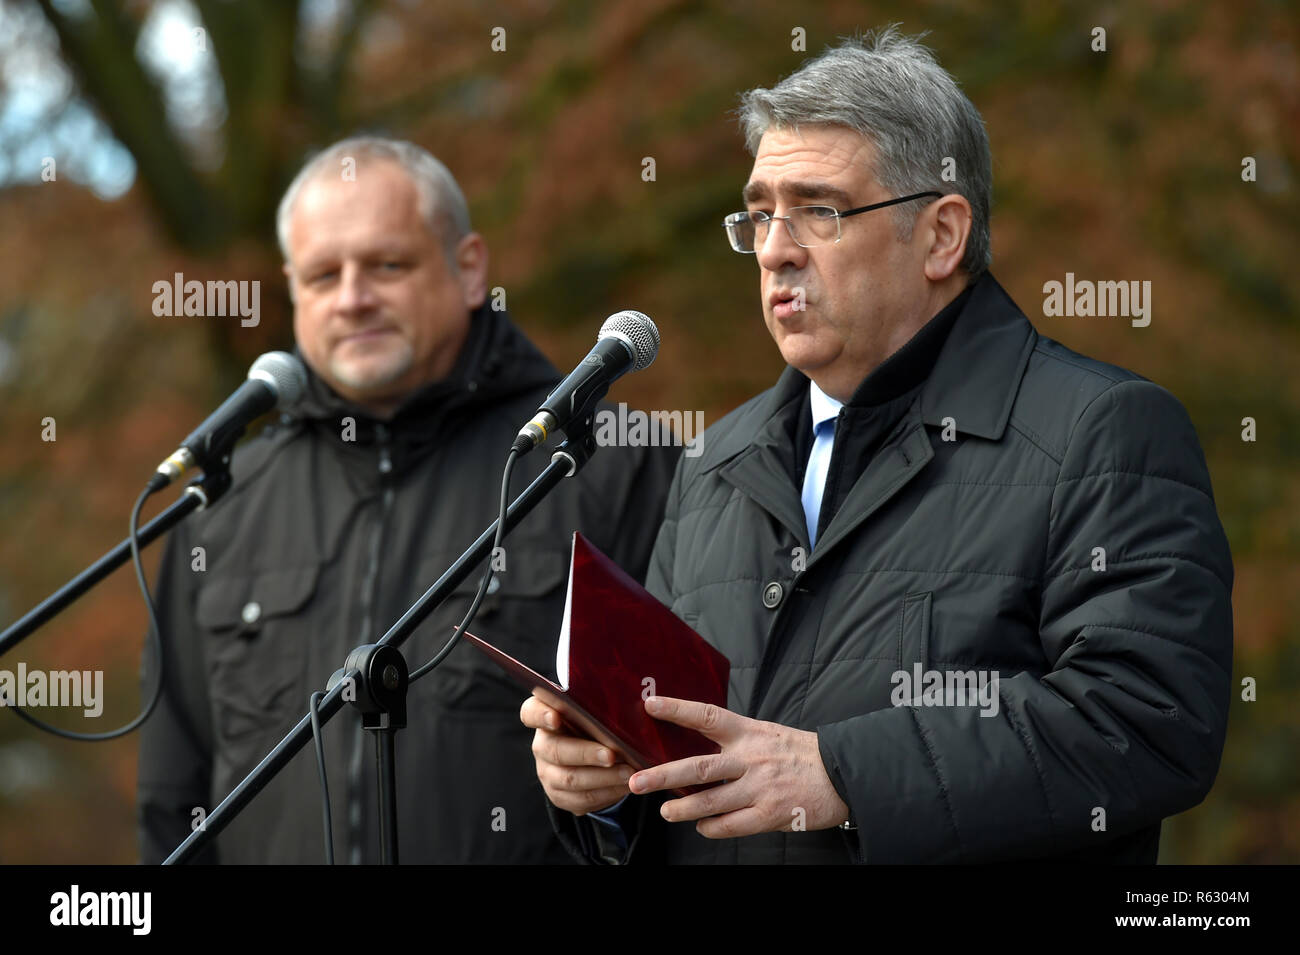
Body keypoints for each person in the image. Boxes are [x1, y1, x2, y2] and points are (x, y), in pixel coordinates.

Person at [524, 27, 1234, 863]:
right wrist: (606, 787)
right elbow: (691, 765)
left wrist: (846, 775)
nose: (777, 249)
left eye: (818, 209)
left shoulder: (1101, 431)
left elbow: (1146, 723)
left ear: (941, 235)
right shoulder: (715, 462)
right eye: (759, 215)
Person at [137, 137, 679, 864]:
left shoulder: (610, 463)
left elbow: (685, 764)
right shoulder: (224, 507)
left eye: (386, 265)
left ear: (468, 268)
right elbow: (175, 797)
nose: (353, 297)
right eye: (323, 275)